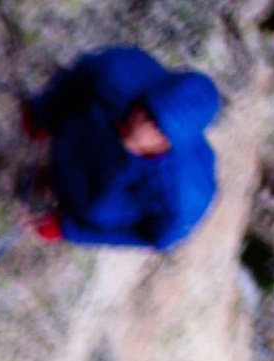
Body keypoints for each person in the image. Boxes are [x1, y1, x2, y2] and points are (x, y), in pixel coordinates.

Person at [22, 46, 222, 251]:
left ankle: (60, 193)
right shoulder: (115, 72)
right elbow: (75, 79)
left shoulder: (186, 198)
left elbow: (151, 238)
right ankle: (51, 177)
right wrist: (42, 113)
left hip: (100, 203)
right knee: (76, 136)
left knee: (97, 206)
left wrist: (68, 229)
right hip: (79, 144)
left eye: (156, 129)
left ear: (171, 144)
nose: (139, 129)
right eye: (146, 111)